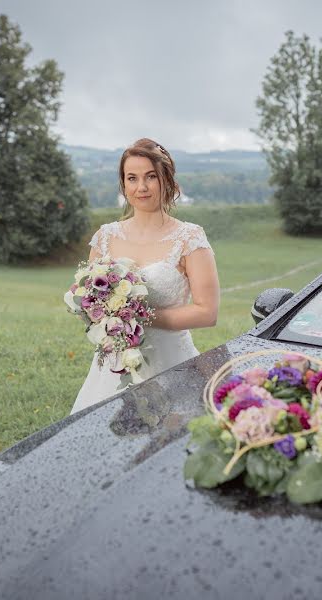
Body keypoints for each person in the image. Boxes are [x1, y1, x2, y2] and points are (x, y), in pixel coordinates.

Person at [70, 138, 220, 415]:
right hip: (115, 365)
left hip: (173, 363)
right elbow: (88, 302)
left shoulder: (189, 238)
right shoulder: (105, 237)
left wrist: (137, 315)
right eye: (132, 178)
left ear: (166, 180)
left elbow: (207, 313)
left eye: (151, 177)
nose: (141, 187)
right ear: (123, 185)